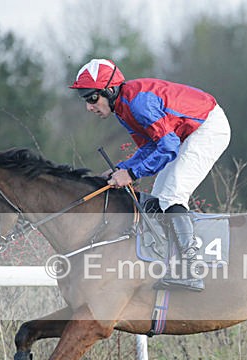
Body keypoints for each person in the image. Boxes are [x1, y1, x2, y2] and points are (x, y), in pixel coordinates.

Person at [70, 58, 231, 292]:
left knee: (172, 195)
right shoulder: (123, 108)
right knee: (159, 197)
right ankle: (169, 262)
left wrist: (132, 173)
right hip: (187, 132)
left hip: (208, 127)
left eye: (92, 98)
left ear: (110, 90)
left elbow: (168, 147)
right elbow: (149, 147)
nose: (89, 106)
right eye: (85, 99)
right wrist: (122, 168)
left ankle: (192, 271)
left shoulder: (138, 103)